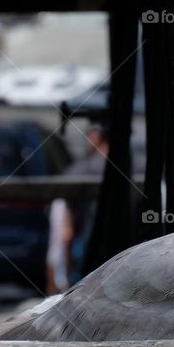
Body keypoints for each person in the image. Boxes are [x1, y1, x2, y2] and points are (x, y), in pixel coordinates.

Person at [46, 124, 108, 294]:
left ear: (96, 138)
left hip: (83, 242)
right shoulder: (136, 168)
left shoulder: (77, 171)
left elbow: (63, 233)